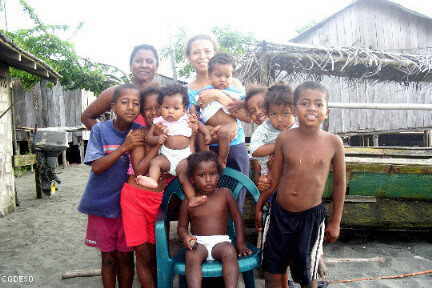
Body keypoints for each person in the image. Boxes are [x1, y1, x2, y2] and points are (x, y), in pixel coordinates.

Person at [255, 81, 346, 288]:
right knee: (273, 271)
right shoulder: (284, 139)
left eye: (318, 104)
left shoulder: (333, 142)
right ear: (295, 109)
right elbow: (275, 179)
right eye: (305, 103)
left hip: (310, 219)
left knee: (307, 273)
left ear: (327, 111)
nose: (312, 108)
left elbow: (340, 184)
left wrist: (335, 221)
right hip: (279, 214)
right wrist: (261, 204)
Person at [78, 84, 144, 288]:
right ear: (113, 106)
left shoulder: (140, 133)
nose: (130, 107)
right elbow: (97, 167)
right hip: (101, 206)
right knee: (107, 258)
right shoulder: (99, 130)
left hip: (127, 208)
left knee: (125, 258)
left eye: (136, 103)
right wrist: (125, 147)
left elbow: (140, 169)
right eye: (124, 102)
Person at [185, 34, 250, 212]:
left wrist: (218, 95)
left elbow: (247, 116)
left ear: (214, 53)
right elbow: (192, 119)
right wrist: (206, 130)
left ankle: (235, 237)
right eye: (196, 52)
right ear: (189, 57)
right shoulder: (190, 90)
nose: (202, 56)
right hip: (205, 147)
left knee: (236, 198)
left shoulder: (233, 82)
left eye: (207, 51)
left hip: (234, 147)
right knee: (207, 203)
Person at [177, 151, 252, 288]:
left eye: (213, 174)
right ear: (192, 179)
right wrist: (186, 237)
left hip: (221, 241)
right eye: (202, 175)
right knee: (191, 256)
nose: (208, 179)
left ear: (219, 175)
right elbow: (181, 227)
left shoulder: (225, 194)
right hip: (198, 242)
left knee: (230, 251)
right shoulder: (189, 201)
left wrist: (240, 243)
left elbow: (237, 218)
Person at [119, 87, 165, 288]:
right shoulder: (138, 134)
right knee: (143, 255)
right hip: (135, 199)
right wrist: (156, 145)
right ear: (142, 112)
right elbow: (139, 170)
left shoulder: (175, 132)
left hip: (158, 201)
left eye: (158, 107)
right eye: (148, 108)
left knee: (157, 255)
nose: (153, 112)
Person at [81, 44, 159, 129]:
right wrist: (108, 139)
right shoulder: (116, 92)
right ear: (130, 66)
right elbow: (87, 117)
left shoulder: (164, 95)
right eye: (138, 61)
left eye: (149, 61)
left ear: (157, 66)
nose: (144, 65)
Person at [136, 85, 198, 190]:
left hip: (184, 157)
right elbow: (148, 138)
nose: (171, 111)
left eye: (176, 108)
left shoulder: (186, 119)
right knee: (155, 162)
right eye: (166, 107)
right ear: (162, 106)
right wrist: (158, 139)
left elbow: (197, 129)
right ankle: (153, 180)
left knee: (184, 177)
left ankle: (192, 198)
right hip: (167, 157)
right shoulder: (158, 121)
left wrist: (201, 132)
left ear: (184, 108)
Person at [197, 53, 245, 167]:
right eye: (218, 75)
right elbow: (195, 110)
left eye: (227, 76)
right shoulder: (203, 92)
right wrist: (203, 128)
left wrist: (220, 97)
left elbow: (247, 115)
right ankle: (206, 159)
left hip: (230, 133)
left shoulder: (235, 93)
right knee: (201, 134)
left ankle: (222, 159)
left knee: (225, 132)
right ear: (209, 75)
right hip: (209, 130)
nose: (223, 79)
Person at [249, 84, 296, 185]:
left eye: (285, 113)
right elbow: (254, 150)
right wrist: (279, 145)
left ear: (295, 111)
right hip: (268, 176)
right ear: (268, 114)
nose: (279, 119)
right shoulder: (264, 129)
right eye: (274, 114)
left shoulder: (299, 128)